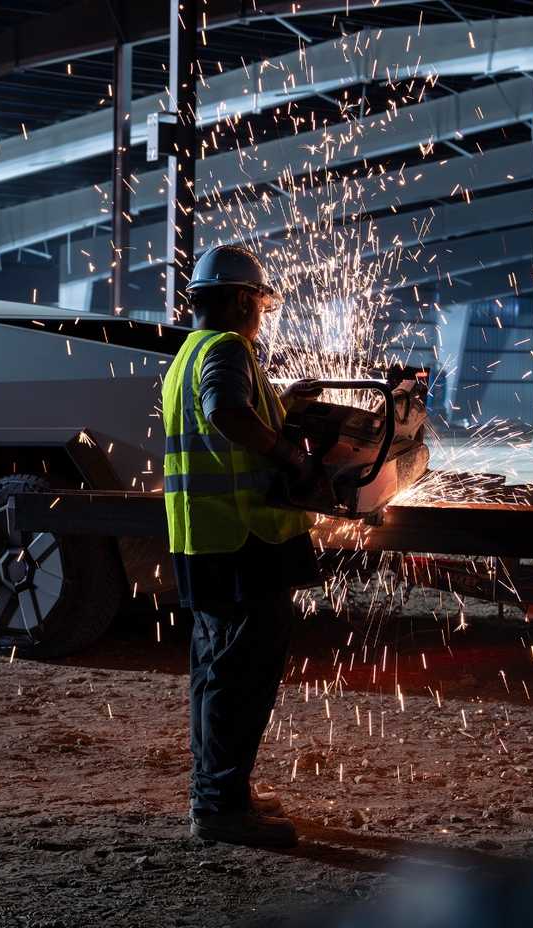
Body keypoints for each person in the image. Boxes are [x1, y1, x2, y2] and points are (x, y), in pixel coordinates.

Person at [162, 244, 322, 849]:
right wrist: (289, 454)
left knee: (215, 672)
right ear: (237, 299)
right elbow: (225, 411)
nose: (260, 315)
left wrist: (284, 403)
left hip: (203, 540)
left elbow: (226, 412)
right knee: (241, 676)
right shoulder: (229, 347)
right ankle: (221, 810)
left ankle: (218, 791)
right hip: (241, 541)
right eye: (258, 302)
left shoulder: (189, 353)